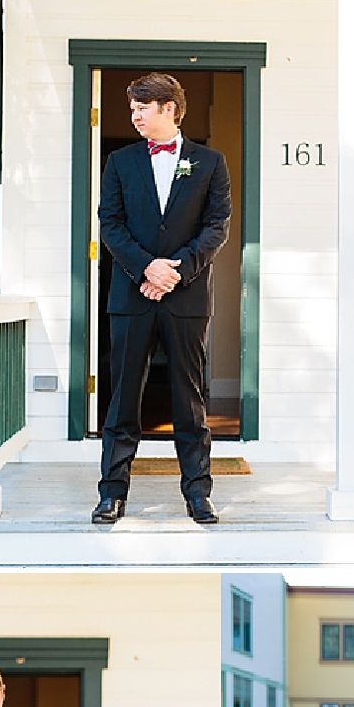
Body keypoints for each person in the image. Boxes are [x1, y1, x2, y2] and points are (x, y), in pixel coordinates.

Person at [92, 71, 232, 527]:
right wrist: (145, 268)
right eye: (132, 108)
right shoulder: (119, 161)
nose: (133, 116)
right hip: (131, 296)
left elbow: (217, 227)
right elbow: (109, 223)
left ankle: (198, 495)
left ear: (168, 108)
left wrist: (176, 271)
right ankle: (112, 494)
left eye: (141, 107)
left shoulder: (210, 163)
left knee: (189, 401)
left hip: (186, 297)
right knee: (122, 400)